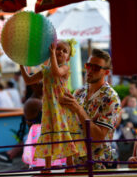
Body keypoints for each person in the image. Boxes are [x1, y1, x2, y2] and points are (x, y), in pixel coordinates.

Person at [20, 40, 86, 173]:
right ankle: (48, 166)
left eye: (64, 51)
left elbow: (56, 73)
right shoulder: (45, 70)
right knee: (47, 133)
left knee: (65, 133)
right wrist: (21, 65)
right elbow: (28, 80)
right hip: (49, 107)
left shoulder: (65, 67)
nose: (60, 51)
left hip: (61, 106)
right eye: (58, 49)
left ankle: (70, 164)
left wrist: (51, 55)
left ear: (68, 57)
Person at [59, 48, 121, 170]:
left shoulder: (111, 98)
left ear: (106, 73)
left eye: (96, 68)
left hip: (98, 164)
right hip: (76, 162)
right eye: (88, 65)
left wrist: (79, 110)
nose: (90, 70)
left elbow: (98, 139)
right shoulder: (79, 92)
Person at [0, 81, 43, 165]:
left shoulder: (35, 100)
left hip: (38, 130)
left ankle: (10, 155)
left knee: (26, 139)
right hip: (38, 131)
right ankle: (10, 155)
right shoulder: (35, 101)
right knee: (27, 139)